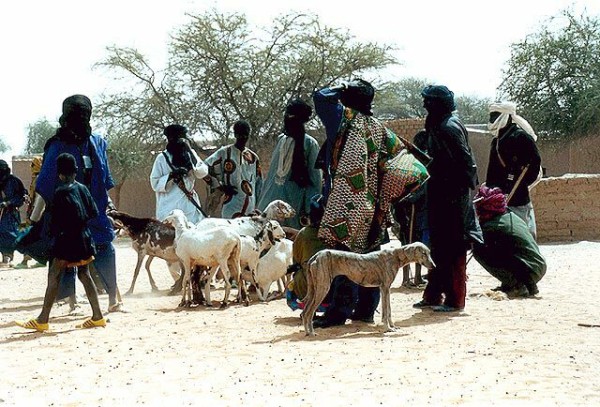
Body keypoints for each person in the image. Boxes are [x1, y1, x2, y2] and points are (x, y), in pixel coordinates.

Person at [312, 79, 414, 327]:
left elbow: (321, 96)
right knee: (371, 257)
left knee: (344, 259)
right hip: (374, 205)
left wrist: (341, 89)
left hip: (347, 204)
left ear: (348, 99)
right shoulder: (380, 129)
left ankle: (338, 314)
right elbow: (402, 164)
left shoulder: (344, 119)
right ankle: (366, 311)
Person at [32, 94, 123, 313]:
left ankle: (113, 300)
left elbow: (103, 179)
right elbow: (45, 183)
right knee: (65, 258)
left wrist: (108, 206)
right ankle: (71, 300)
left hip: (96, 211)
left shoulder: (98, 143)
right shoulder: (56, 146)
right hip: (66, 214)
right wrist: (36, 218)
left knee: (104, 250)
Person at [16, 153, 105, 332]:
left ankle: (42, 320)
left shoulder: (60, 192)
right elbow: (93, 212)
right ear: (76, 171)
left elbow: (53, 223)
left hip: (67, 242)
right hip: (85, 238)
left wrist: (37, 236)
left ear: (59, 174)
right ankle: (97, 316)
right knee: (84, 274)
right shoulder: (82, 189)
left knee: (54, 276)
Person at [413, 85, 483, 312]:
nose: (424, 105)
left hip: (452, 197)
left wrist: (458, 191)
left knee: (453, 248)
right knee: (439, 248)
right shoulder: (438, 125)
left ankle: (455, 300)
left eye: (428, 101)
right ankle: (434, 294)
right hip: (440, 194)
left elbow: (465, 164)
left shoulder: (448, 127)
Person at [256, 99, 322, 229]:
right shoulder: (281, 140)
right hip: (268, 206)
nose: (287, 118)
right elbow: (270, 178)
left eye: (291, 116)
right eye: (287, 115)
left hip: (293, 210)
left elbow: (315, 182)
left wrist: (309, 212)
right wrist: (260, 206)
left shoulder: (310, 144)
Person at [472, 185, 546, 297]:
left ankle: (518, 284)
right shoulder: (510, 215)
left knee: (480, 250)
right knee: (504, 249)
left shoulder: (492, 226)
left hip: (530, 270)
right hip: (539, 265)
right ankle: (518, 283)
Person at [485, 102, 542, 239]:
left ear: (506, 116)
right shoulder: (498, 140)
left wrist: (518, 183)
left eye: (496, 116)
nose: (492, 120)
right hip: (502, 199)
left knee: (522, 236)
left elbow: (534, 166)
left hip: (515, 198)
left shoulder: (521, 137)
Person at [150, 124, 209, 224]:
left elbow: (202, 172)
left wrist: (190, 150)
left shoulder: (190, 154)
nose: (182, 141)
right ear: (171, 139)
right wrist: (172, 175)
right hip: (169, 207)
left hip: (188, 205)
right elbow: (154, 183)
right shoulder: (162, 158)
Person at [204, 120, 263, 218]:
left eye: (245, 135)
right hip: (231, 204)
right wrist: (220, 186)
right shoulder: (224, 152)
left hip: (250, 207)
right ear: (235, 134)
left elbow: (259, 183)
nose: (243, 138)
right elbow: (204, 167)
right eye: (240, 135)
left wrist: (258, 205)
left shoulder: (254, 157)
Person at [286, 194, 327, 311]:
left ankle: (306, 305)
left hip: (307, 285)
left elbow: (296, 259)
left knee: (295, 278)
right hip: (330, 288)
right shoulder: (331, 233)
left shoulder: (303, 234)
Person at [15, 156, 43, 269]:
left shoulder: (39, 179)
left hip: (36, 212)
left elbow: (39, 197)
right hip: (34, 211)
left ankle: (25, 261)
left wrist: (34, 213)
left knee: (29, 235)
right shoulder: (37, 178)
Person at [0, 160, 26, 267]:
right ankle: (4, 257)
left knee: (10, 234)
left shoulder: (14, 181)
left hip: (11, 214)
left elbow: (21, 196)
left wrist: (8, 203)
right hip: (1, 214)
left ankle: (9, 257)